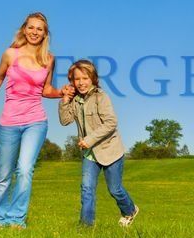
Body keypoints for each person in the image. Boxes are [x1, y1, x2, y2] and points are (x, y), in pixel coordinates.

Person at [0, 12, 64, 227]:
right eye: (31, 27)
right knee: (4, 173)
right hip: (9, 122)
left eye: (39, 29)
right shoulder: (10, 54)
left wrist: (62, 92)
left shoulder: (49, 59)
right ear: (24, 29)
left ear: (45, 34)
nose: (35, 32)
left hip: (36, 120)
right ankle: (0, 218)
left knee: (24, 169)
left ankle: (16, 219)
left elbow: (46, 90)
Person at [59, 59, 139, 227]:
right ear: (72, 81)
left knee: (115, 189)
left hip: (110, 151)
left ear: (93, 79)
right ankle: (86, 226)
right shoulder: (75, 100)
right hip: (90, 155)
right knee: (87, 190)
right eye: (77, 79)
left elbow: (111, 123)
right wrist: (65, 99)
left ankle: (130, 210)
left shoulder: (100, 97)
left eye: (85, 78)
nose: (81, 83)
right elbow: (65, 120)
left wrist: (88, 140)